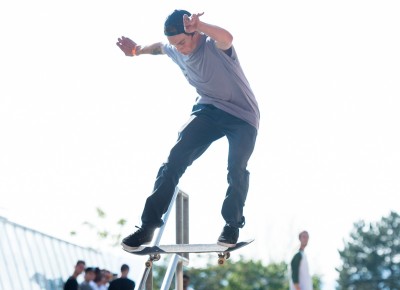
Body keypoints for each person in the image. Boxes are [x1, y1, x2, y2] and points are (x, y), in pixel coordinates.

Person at [116, 9, 259, 250]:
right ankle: (147, 227)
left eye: (183, 41)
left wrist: (201, 25)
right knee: (173, 162)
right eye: (176, 44)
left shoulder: (213, 45)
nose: (180, 48)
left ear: (194, 34)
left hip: (242, 117)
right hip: (209, 111)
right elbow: (159, 47)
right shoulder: (174, 48)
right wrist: (136, 50)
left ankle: (231, 225)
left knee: (236, 167)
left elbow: (228, 38)